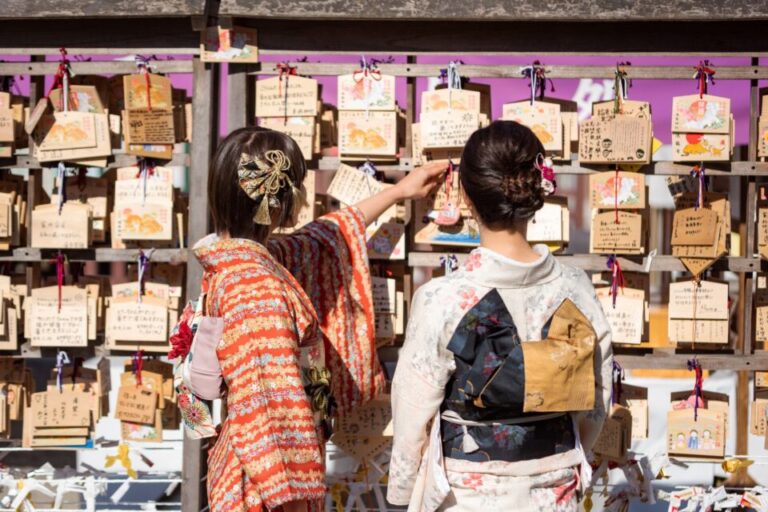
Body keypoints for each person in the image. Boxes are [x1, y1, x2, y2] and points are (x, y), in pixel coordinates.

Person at [182, 127, 446, 512]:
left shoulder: (245, 262)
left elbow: (322, 236)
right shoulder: (257, 287)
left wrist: (398, 192)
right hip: (268, 488)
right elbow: (272, 408)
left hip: (248, 469)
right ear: (281, 201)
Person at [388, 121, 613, 512]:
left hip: (467, 494)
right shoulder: (576, 288)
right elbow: (598, 397)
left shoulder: (443, 298)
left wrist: (401, 493)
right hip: (554, 488)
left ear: (465, 195)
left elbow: (412, 411)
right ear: (537, 189)